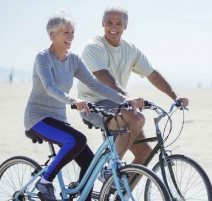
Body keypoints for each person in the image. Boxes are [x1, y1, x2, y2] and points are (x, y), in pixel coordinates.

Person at [24, 9, 137, 201]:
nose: (70, 36)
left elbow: (94, 84)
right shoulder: (43, 58)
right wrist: (73, 100)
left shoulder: (74, 60)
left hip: (58, 119)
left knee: (89, 163)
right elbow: (50, 87)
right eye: (65, 32)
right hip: (38, 118)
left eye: (72, 32)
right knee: (77, 139)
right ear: (53, 35)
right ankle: (44, 181)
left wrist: (123, 99)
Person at [77, 5, 189, 182]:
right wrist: (126, 97)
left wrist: (175, 97)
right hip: (94, 104)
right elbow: (103, 76)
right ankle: (110, 168)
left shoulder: (130, 50)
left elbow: (152, 74)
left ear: (125, 26)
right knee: (137, 118)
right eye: (109, 22)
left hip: (118, 104)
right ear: (102, 23)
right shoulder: (94, 46)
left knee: (145, 153)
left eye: (118, 23)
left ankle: (117, 194)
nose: (113, 27)